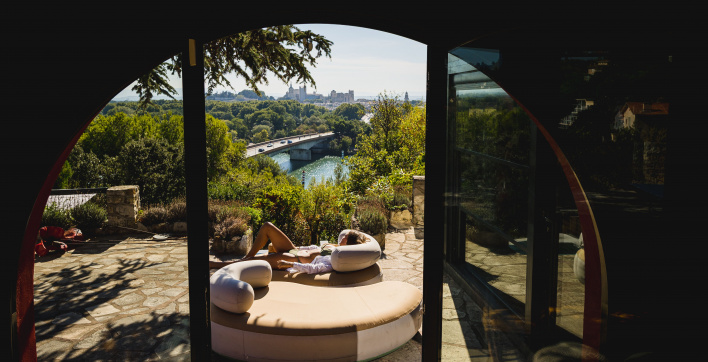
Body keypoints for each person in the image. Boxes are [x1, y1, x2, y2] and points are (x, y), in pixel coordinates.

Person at [209, 222, 370, 274]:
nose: (344, 237)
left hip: (293, 258)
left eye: (347, 237)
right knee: (267, 227)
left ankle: (215, 266)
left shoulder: (339, 259)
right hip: (294, 250)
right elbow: (314, 248)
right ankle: (245, 258)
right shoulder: (336, 247)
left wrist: (291, 265)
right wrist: (298, 247)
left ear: (348, 242)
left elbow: (315, 268)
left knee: (254, 261)